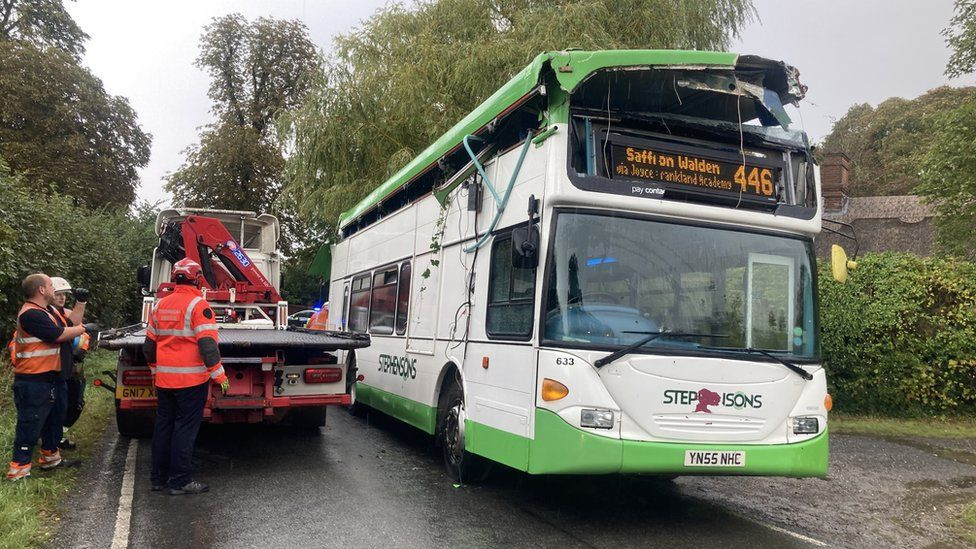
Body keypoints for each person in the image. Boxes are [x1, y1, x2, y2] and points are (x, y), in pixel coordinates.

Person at [143, 258, 229, 496]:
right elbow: (208, 347)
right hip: (191, 383)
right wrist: (220, 377)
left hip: (164, 381)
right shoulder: (199, 306)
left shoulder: (160, 306)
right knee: (184, 429)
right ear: (197, 278)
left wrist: (154, 370)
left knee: (163, 427)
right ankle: (180, 480)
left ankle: (158, 478)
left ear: (174, 278)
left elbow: (149, 347)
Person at [7, 273, 91, 481]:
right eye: (51, 286)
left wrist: (81, 303)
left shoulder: (49, 310)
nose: (55, 289)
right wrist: (83, 330)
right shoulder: (30, 314)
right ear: (42, 290)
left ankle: (51, 458)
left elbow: (70, 323)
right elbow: (58, 334)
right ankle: (19, 469)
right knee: (30, 423)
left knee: (54, 420)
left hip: (51, 377)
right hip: (34, 379)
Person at [50, 277, 90, 450]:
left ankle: (58, 435)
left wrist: (80, 303)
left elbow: (80, 333)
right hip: (50, 368)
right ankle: (50, 439)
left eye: (64, 295)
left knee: (74, 402)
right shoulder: (41, 315)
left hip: (70, 366)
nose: (62, 298)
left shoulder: (65, 313)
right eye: (58, 294)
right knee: (54, 406)